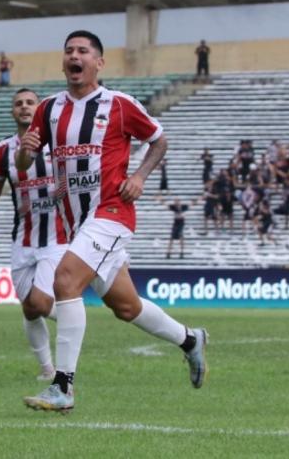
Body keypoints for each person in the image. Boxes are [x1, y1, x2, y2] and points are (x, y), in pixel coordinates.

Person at [18, 30, 207, 413]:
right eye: (69, 50)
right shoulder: (49, 109)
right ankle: (190, 340)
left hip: (111, 212)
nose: (74, 56)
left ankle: (63, 387)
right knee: (126, 307)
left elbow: (159, 139)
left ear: (98, 63)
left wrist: (138, 177)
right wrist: (24, 152)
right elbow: (25, 163)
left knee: (65, 280)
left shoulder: (118, 105)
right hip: (75, 220)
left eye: (83, 51)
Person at [0, 87, 66, 394]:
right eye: (19, 104)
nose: (24, 107)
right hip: (23, 238)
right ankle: (46, 368)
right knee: (29, 309)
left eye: (30, 103)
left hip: (56, 235)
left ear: (40, 109)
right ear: (13, 112)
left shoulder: (59, 142)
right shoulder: (2, 151)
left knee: (38, 302)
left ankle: (72, 320)